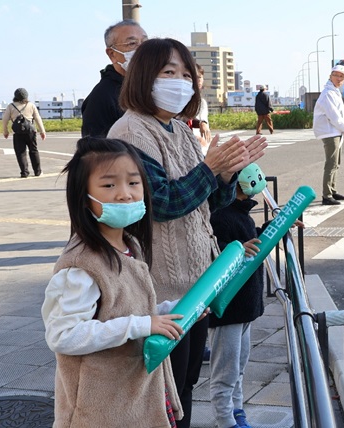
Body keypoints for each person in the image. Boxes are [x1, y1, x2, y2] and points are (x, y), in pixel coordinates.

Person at [106, 37, 267, 428]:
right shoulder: (131, 132)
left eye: (185, 75)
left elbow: (208, 202)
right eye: (168, 73)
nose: (180, 83)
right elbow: (162, 202)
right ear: (144, 77)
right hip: (160, 291)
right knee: (165, 394)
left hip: (196, 286)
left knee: (186, 384)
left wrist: (227, 173)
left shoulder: (180, 129)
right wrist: (210, 168)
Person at [42, 136, 189, 427]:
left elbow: (129, 310)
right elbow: (63, 335)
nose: (125, 194)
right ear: (84, 197)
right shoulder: (81, 265)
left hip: (134, 401)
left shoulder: (128, 245)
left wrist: (174, 311)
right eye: (109, 185)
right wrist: (141, 325)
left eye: (133, 182)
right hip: (99, 411)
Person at [208, 163, 268, 428]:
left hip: (244, 307)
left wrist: (280, 226)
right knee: (226, 371)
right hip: (228, 308)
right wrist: (236, 250)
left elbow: (253, 243)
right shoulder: (220, 215)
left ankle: (237, 411)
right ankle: (225, 420)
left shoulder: (241, 213)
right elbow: (212, 250)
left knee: (239, 367)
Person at [81, 20, 148, 137]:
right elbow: (96, 147)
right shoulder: (101, 97)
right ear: (112, 54)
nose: (142, 49)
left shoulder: (153, 87)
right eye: (132, 43)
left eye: (145, 43)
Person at [313, 64, 344, 206]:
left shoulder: (334, 91)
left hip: (334, 131)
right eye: (337, 75)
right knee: (331, 163)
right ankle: (327, 195)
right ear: (331, 76)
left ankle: (332, 190)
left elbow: (340, 114)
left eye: (342, 76)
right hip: (330, 131)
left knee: (336, 163)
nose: (339, 78)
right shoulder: (328, 93)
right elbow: (333, 115)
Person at [2, 88, 46, 178]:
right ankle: (38, 171)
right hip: (31, 132)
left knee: (20, 153)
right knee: (33, 151)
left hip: (18, 133)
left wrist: (5, 131)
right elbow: (38, 118)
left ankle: (24, 172)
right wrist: (42, 131)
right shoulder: (31, 105)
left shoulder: (11, 106)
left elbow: (5, 120)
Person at [190, 63, 212, 154]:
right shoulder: (182, 100)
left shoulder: (201, 101)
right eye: (194, 77)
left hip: (201, 146)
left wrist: (202, 123)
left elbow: (202, 117)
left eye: (199, 77)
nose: (197, 80)